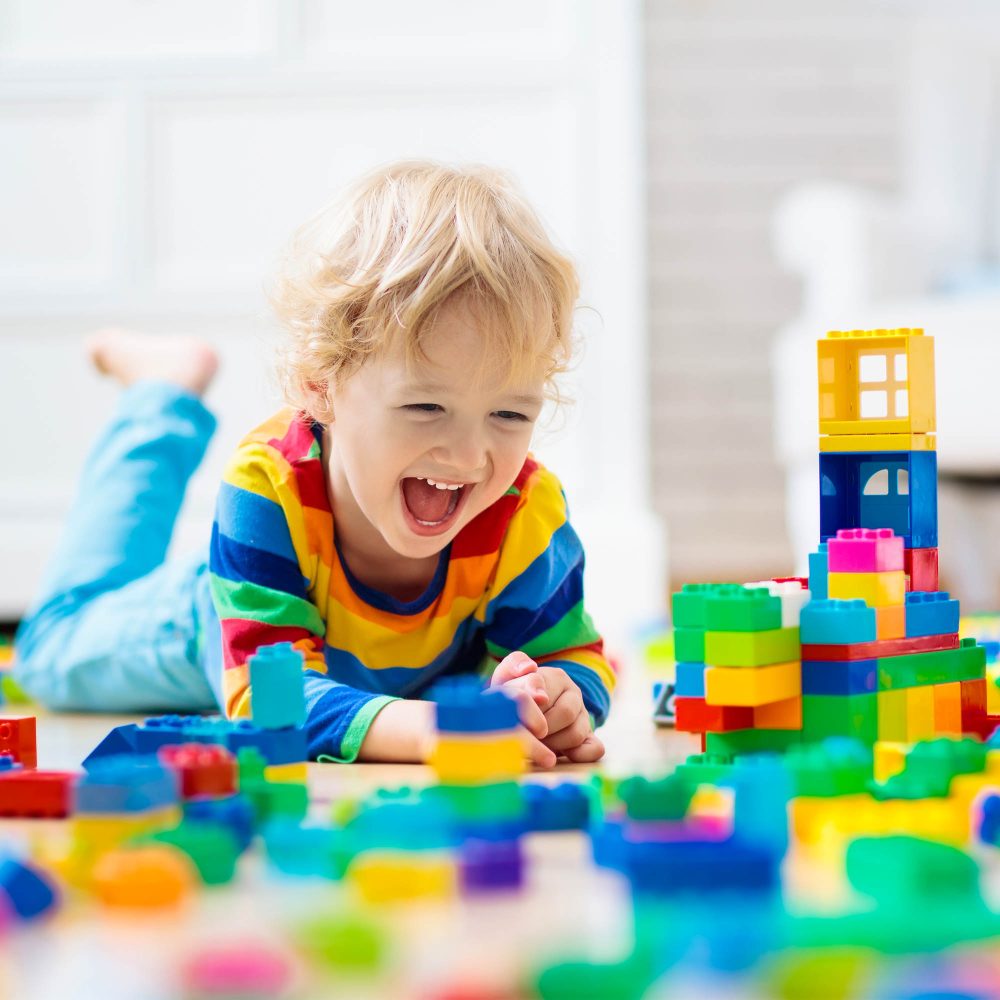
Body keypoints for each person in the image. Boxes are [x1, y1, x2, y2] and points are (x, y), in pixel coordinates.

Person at [14, 161, 615, 766]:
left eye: (510, 415)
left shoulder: (524, 513)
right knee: (50, 650)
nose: (468, 455)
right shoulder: (267, 488)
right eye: (426, 405)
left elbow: (575, 659)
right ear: (320, 385)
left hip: (357, 677)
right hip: (212, 617)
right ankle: (161, 399)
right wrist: (437, 730)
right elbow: (270, 699)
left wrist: (561, 701)